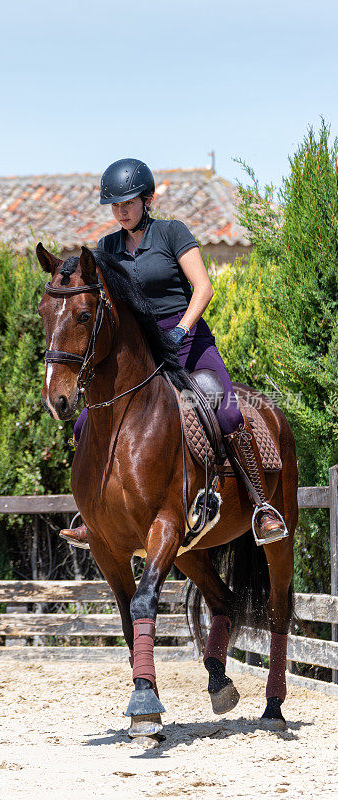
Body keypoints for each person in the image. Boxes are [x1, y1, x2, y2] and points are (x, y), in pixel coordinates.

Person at [59, 158, 287, 548]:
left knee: (229, 411)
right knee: (83, 426)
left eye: (128, 202)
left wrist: (182, 330)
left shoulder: (171, 234)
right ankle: (93, 514)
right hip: (141, 354)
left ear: (146, 199)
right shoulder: (106, 248)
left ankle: (261, 506)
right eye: (115, 205)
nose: (121, 211)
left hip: (189, 342)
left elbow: (203, 288)